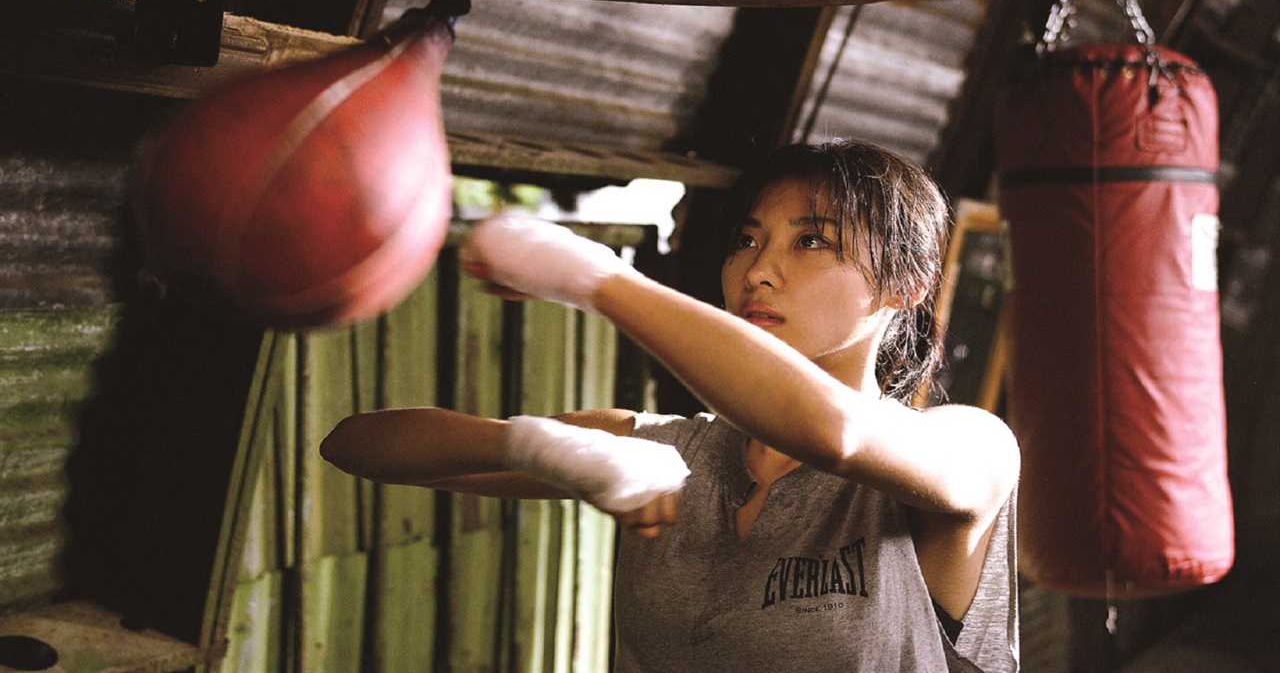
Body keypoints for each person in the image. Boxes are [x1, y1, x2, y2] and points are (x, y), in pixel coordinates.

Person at [321, 140, 1021, 672]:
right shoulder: (668, 456)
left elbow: (833, 432)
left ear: (906, 282)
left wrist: (593, 277)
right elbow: (353, 444)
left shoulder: (969, 450)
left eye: (812, 241)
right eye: (747, 240)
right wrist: (539, 448)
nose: (758, 271)